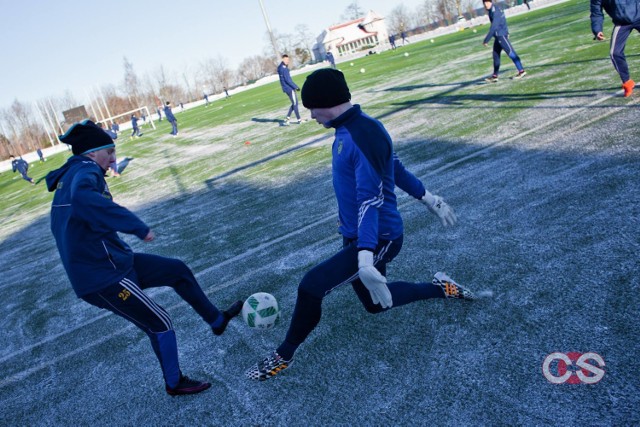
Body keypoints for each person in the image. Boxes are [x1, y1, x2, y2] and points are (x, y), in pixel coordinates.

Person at [245, 69, 473, 382]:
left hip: (379, 238)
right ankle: (442, 288)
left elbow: (370, 200)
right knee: (376, 305)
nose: (310, 114)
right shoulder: (351, 130)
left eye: (312, 107)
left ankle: (283, 356)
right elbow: (393, 168)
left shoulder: (362, 133)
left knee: (311, 286)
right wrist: (429, 198)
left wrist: (366, 253)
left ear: (327, 103)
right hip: (359, 237)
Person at [45, 120, 243, 396]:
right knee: (159, 322)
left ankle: (216, 321)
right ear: (91, 153)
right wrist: (136, 226)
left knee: (177, 270)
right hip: (102, 278)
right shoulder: (86, 172)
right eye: (109, 152)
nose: (114, 158)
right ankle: (174, 383)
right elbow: (83, 199)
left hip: (116, 261)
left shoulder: (76, 171)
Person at [590, 0, 639, 97]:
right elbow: (596, 13)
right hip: (621, 23)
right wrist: (597, 30)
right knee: (614, 53)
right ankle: (627, 82)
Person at [482, 0, 526, 82]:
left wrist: (486, 40)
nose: (485, 4)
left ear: (491, 2)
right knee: (496, 56)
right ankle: (495, 76)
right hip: (498, 36)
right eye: (484, 3)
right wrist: (507, 31)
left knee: (511, 53)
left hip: (501, 36)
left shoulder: (495, 11)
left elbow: (494, 27)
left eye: (487, 2)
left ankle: (521, 71)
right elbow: (502, 21)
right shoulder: (493, 9)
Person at [277, 54, 303, 125]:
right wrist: (296, 87)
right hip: (289, 88)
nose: (287, 61)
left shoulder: (280, 67)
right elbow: (288, 80)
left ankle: (287, 117)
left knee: (294, 103)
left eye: (288, 60)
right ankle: (299, 120)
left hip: (286, 88)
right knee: (295, 104)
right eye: (286, 60)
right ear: (283, 59)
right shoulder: (284, 69)